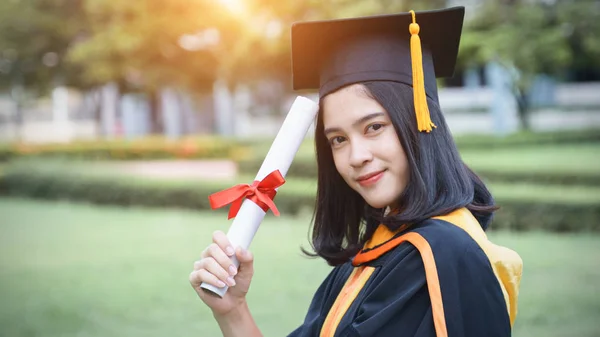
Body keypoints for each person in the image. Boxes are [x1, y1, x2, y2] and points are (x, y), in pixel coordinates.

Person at [189, 6, 523, 337]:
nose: (356, 156)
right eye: (338, 139)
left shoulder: (434, 257)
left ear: (421, 124)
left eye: (374, 126)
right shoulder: (377, 253)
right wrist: (233, 310)